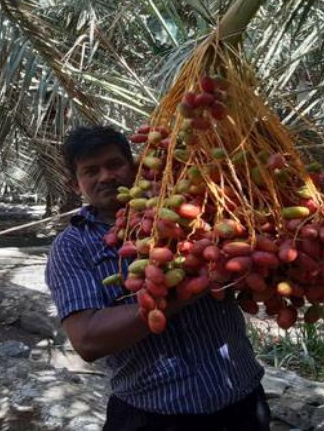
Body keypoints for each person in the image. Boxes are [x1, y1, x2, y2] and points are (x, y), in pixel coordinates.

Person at [45, 125, 271, 431]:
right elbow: (87, 339)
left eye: (115, 164)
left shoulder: (200, 210)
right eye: (91, 171)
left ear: (134, 166)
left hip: (241, 404)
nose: (106, 177)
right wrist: (186, 292)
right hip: (150, 417)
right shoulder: (72, 246)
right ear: (76, 184)